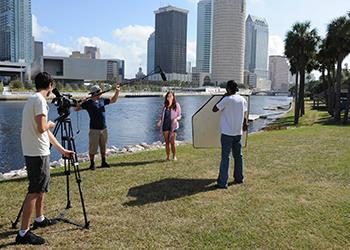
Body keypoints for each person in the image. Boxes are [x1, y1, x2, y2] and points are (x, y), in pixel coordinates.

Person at [16, 72, 75, 245]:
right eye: (52, 86)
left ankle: (39, 219)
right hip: (37, 153)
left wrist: (62, 150)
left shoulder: (32, 99)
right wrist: (51, 123)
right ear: (49, 85)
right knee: (34, 190)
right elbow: (43, 128)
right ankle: (23, 233)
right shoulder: (40, 101)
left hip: (37, 150)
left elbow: (46, 133)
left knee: (40, 188)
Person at [212, 80, 248, 189]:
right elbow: (245, 114)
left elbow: (214, 109)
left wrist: (224, 96)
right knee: (238, 156)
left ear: (228, 89)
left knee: (225, 157)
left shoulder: (227, 100)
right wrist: (245, 124)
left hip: (227, 133)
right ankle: (239, 178)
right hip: (238, 132)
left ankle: (223, 183)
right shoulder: (242, 99)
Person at [75, 84, 120, 170]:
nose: (101, 92)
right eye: (99, 91)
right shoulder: (88, 103)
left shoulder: (102, 100)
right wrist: (80, 103)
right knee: (93, 148)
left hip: (104, 128)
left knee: (103, 146)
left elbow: (113, 100)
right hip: (94, 129)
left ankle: (103, 162)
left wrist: (117, 92)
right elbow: (76, 109)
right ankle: (92, 164)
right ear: (95, 93)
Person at [157, 91, 182, 160]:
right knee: (167, 142)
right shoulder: (164, 106)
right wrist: (159, 122)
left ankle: (174, 156)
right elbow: (162, 116)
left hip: (173, 125)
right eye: (168, 96)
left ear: (173, 97)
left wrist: (176, 119)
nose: (169, 97)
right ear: (166, 97)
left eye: (171, 96)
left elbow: (180, 115)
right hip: (165, 125)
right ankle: (167, 156)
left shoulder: (176, 105)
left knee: (172, 142)